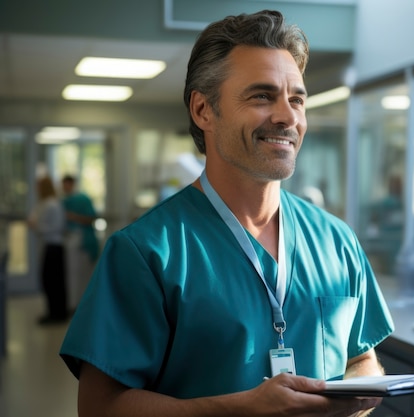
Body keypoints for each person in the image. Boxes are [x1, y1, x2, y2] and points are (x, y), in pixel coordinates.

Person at [60, 10, 394, 417]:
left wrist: (349, 400)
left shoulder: (337, 241)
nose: (288, 117)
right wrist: (243, 410)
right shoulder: (145, 253)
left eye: (297, 99)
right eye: (261, 96)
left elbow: (362, 359)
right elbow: (101, 406)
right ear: (204, 111)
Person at [27, 176, 67, 324]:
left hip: (55, 246)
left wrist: (37, 226)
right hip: (48, 246)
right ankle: (52, 312)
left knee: (54, 282)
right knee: (49, 281)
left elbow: (57, 227)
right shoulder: (43, 204)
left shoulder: (53, 205)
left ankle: (58, 314)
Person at [61, 174, 99, 311]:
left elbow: (91, 218)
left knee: (83, 275)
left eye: (67, 184)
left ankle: (83, 305)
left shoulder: (83, 199)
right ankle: (73, 304)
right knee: (72, 275)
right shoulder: (63, 201)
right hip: (70, 240)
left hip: (82, 240)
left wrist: (72, 217)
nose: (65, 187)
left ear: (72, 184)